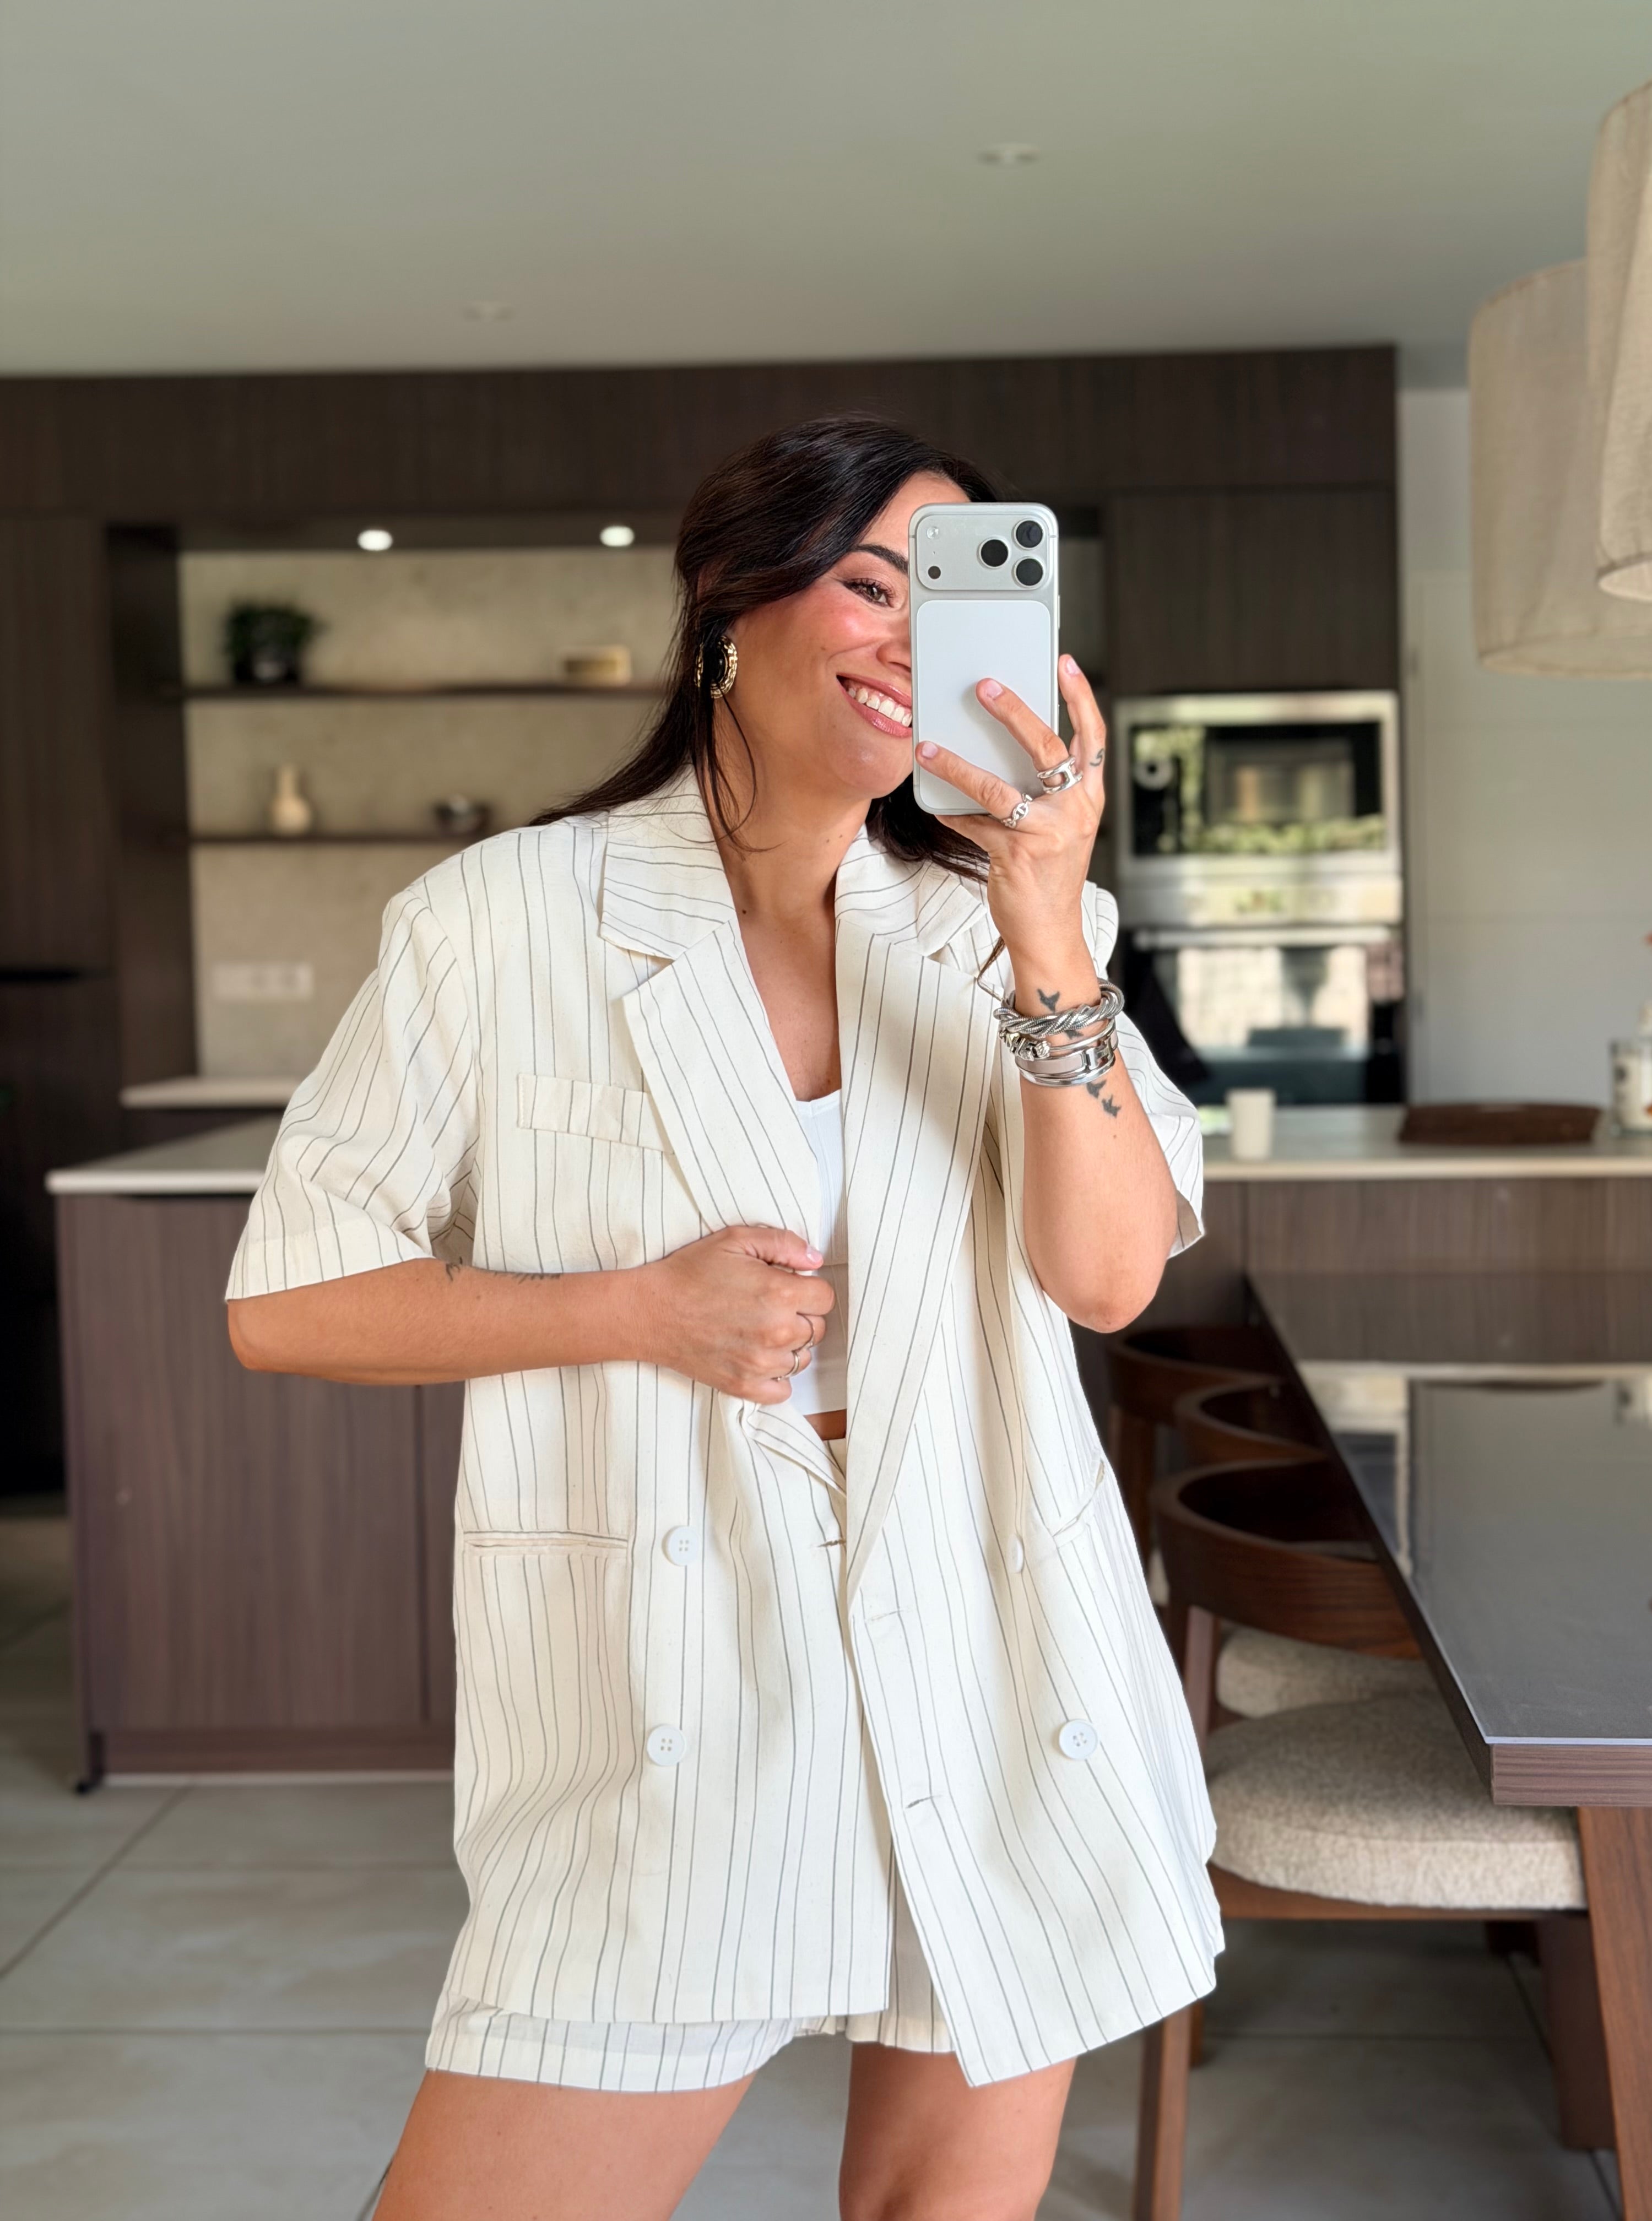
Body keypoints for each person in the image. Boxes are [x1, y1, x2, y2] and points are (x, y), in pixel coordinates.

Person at [226, 415, 1219, 2221]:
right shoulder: (503, 921)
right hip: (674, 1659)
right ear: (729, 604)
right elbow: (288, 1302)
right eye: (871, 586)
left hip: (997, 1639)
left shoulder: (998, 925)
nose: (914, 640)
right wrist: (634, 1309)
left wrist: (1043, 915)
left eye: (954, 599)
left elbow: (1107, 1278)